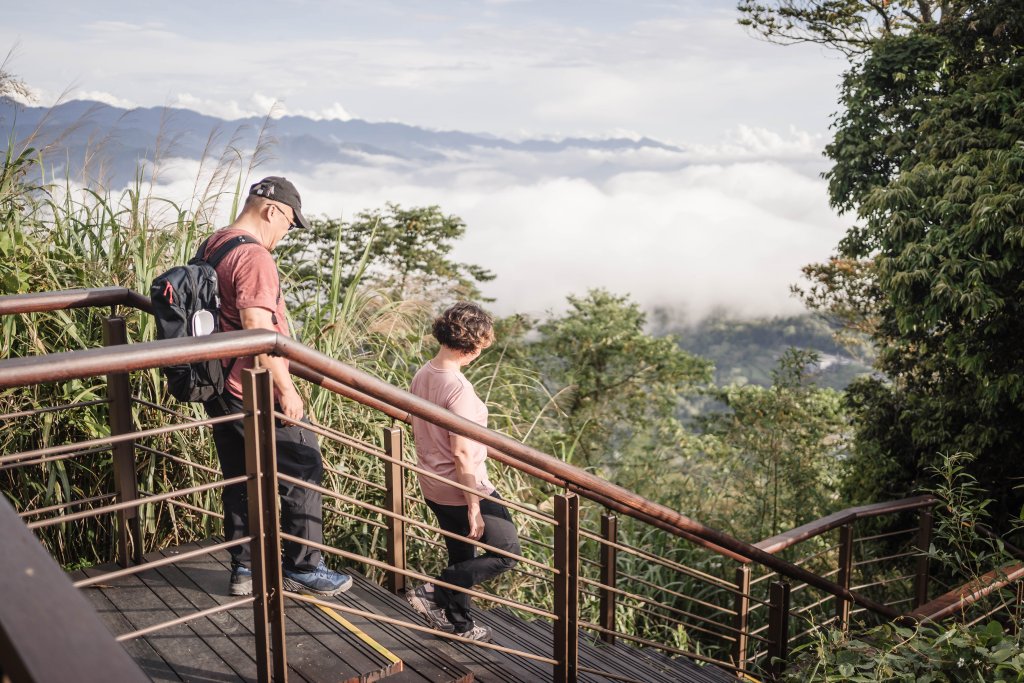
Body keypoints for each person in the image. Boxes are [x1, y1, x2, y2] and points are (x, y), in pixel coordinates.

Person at [203, 176, 352, 598]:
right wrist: (286, 389)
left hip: (220, 382)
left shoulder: (216, 243)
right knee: (303, 467)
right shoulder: (254, 258)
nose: (287, 233)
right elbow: (258, 327)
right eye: (289, 223)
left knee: (240, 474)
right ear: (272, 211)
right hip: (253, 386)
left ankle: (244, 569)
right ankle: (305, 568)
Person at [405, 303, 521, 643]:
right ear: (471, 345)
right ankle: (432, 591)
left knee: (462, 553)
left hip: (433, 484)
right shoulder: (458, 388)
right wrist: (474, 506)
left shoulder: (423, 373)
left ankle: (458, 622)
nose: (480, 353)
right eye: (481, 346)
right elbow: (461, 452)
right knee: (506, 552)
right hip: (462, 488)